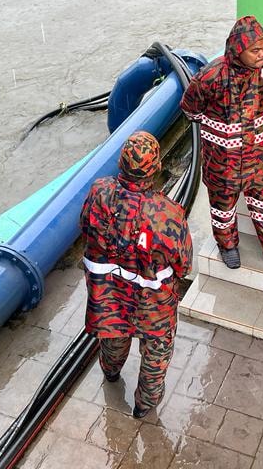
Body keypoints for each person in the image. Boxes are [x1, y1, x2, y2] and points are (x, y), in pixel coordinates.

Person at [180, 15, 263, 272]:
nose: (262, 54)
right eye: (255, 50)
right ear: (238, 50)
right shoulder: (210, 77)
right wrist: (222, 133)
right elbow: (190, 109)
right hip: (223, 164)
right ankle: (228, 247)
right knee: (222, 208)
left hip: (259, 159)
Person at [80, 131, 192, 419]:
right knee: (156, 352)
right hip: (154, 305)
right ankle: (144, 406)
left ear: (121, 163)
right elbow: (183, 263)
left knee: (113, 334)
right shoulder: (169, 213)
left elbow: (85, 227)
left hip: (109, 295)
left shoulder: (98, 192)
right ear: (155, 169)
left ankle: (111, 372)